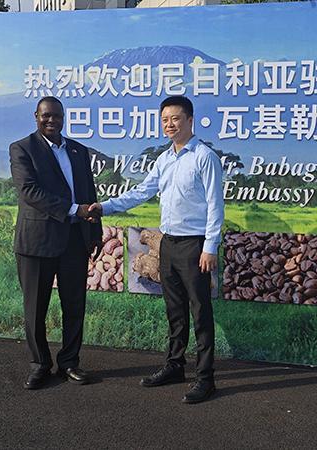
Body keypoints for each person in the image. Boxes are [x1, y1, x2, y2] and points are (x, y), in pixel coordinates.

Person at [88, 95, 224, 404]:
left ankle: (206, 378)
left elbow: (216, 205)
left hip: (194, 246)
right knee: (175, 311)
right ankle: (175, 366)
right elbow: (142, 191)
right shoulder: (164, 159)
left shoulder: (204, 157)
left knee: (200, 313)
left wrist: (210, 247)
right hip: (168, 244)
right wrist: (105, 207)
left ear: (190, 120)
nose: (169, 125)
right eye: (165, 120)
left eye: (175, 119)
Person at [10, 96, 102, 390]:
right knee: (35, 308)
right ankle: (40, 364)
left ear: (64, 118)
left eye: (57, 116)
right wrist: (75, 210)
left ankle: (69, 362)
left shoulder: (78, 150)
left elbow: (88, 193)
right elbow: (29, 192)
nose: (52, 120)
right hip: (36, 242)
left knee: (74, 305)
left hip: (74, 241)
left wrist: (95, 232)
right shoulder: (22, 148)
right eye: (46, 115)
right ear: (36, 116)